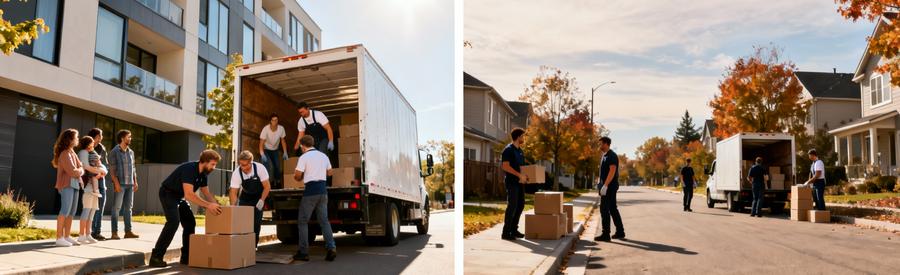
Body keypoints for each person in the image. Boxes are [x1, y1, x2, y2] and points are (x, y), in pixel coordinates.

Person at [149, 150, 224, 267]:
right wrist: (209, 205)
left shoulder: (203, 174)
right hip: (168, 193)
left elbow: (206, 193)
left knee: (190, 223)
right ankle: (156, 257)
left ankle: (186, 257)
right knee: (173, 222)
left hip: (179, 196)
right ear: (204, 162)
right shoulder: (190, 169)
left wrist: (218, 207)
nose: (214, 167)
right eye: (213, 164)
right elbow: (189, 195)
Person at [292, 135, 337, 262]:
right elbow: (330, 172)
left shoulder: (304, 157)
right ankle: (331, 248)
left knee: (302, 221)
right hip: (323, 191)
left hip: (311, 191)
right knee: (324, 221)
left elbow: (297, 175)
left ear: (302, 145)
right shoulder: (323, 156)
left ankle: (304, 252)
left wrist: (299, 177)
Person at [229, 150, 271, 246]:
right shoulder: (237, 173)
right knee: (243, 223)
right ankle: (243, 245)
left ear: (251, 162)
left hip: (259, 197)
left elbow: (267, 187)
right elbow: (233, 192)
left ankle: (253, 246)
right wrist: (233, 207)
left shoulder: (260, 168)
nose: (243, 167)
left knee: (256, 223)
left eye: (245, 165)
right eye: (241, 165)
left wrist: (262, 200)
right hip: (245, 197)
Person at [52, 129, 84, 247]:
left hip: (74, 184)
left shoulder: (72, 152)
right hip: (67, 184)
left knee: (72, 212)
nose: (77, 139)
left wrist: (80, 170)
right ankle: (59, 237)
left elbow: (80, 167)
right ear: (70, 139)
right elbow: (73, 171)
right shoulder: (65, 153)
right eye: (76, 137)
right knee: (65, 210)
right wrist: (80, 170)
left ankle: (66, 236)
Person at [108, 130, 140, 239]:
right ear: (122, 138)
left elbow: (133, 168)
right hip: (120, 184)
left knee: (128, 208)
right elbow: (112, 170)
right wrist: (116, 183)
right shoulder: (114, 152)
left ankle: (128, 232)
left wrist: (135, 181)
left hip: (130, 184)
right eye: (129, 137)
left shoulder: (131, 152)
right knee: (116, 208)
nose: (130, 139)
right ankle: (114, 232)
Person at [594, 137, 624, 242]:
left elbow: (612, 171)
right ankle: (620, 232)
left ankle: (605, 234)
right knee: (612, 208)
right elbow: (603, 171)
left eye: (601, 144)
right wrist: (599, 181)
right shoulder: (604, 156)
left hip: (610, 187)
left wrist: (605, 185)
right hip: (606, 186)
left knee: (604, 209)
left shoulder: (612, 156)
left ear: (606, 144)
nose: (600, 146)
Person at [77, 136, 105, 244]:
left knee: (92, 211)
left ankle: (88, 234)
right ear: (87, 143)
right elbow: (86, 167)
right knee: (87, 210)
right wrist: (99, 171)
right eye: (92, 142)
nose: (93, 144)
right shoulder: (83, 152)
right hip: (88, 187)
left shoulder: (91, 153)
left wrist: (101, 171)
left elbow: (102, 166)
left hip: (94, 187)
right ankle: (81, 235)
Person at [500, 128, 528, 240]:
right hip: (511, 182)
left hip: (520, 182)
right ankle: (506, 232)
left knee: (520, 205)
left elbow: (522, 168)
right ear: (518, 137)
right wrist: (518, 175)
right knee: (512, 206)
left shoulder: (520, 151)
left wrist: (525, 176)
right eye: (523, 136)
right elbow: (505, 166)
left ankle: (513, 229)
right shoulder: (508, 150)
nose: (524, 138)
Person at [88, 128, 110, 241]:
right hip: (91, 180)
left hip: (101, 179)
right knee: (91, 207)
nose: (102, 138)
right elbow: (85, 165)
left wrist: (102, 172)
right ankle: (89, 232)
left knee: (100, 206)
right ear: (96, 136)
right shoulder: (87, 147)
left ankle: (97, 232)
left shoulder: (102, 148)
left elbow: (106, 164)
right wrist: (94, 173)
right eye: (100, 135)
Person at [259, 113, 288, 188]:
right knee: (270, 167)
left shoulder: (281, 129)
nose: (275, 122)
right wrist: (262, 154)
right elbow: (261, 142)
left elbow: (283, 141)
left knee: (277, 167)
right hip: (266, 150)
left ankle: (278, 183)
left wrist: (285, 152)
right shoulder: (266, 129)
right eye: (273, 120)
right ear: (270, 121)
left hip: (275, 150)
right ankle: (270, 183)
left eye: (276, 120)